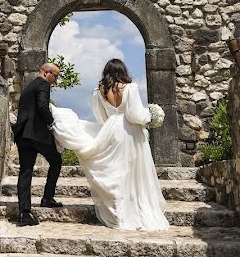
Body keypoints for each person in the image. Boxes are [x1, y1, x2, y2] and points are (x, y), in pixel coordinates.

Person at [50, 58, 169, 231]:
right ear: (123, 70)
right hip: (130, 131)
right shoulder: (130, 88)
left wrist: (109, 127)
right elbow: (135, 115)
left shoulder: (99, 91)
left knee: (116, 170)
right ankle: (133, 209)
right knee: (132, 172)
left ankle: (117, 211)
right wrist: (149, 116)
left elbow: (100, 116)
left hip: (110, 129)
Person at [11, 62, 63, 226]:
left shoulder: (29, 86)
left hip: (22, 135)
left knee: (25, 171)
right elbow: (42, 106)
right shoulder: (43, 85)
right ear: (47, 73)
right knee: (56, 161)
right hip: (37, 135)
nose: (55, 80)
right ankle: (47, 198)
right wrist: (51, 123)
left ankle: (24, 213)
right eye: (55, 76)